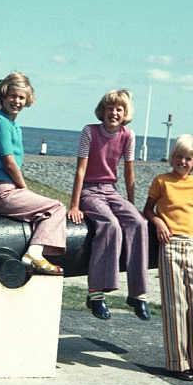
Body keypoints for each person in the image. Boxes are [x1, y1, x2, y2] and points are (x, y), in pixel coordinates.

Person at [68, 90, 150, 321]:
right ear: (102, 111)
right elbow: (81, 170)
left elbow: (129, 173)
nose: (114, 113)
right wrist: (75, 204)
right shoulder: (90, 132)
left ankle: (138, 294)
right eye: (110, 108)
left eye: (119, 109)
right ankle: (97, 293)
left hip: (111, 191)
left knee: (138, 223)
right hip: (90, 191)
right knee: (110, 225)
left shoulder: (128, 136)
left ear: (125, 114)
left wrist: (132, 206)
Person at [0, 72, 66, 275]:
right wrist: (24, 187)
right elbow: (9, 163)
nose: (17, 101)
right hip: (1, 190)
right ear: (3, 95)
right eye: (13, 96)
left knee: (45, 209)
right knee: (56, 206)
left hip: (0, 188)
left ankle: (35, 251)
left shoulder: (10, 123)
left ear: (27, 100)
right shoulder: (1, 123)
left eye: (21, 97)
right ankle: (34, 254)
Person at [143, 133, 193, 382]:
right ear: (172, 157)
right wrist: (158, 221)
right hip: (169, 244)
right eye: (178, 156)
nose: (182, 161)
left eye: (188, 158)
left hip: (190, 245)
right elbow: (148, 209)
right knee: (176, 305)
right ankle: (176, 362)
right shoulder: (161, 181)